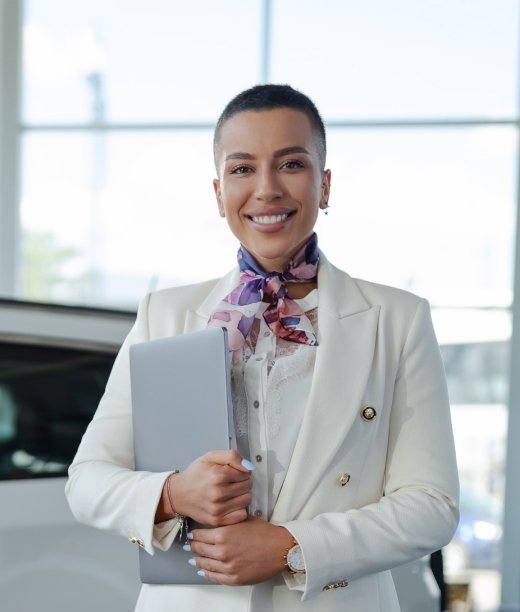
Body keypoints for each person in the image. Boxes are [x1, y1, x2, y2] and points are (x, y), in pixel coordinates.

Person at [65, 84, 459, 612]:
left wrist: (291, 549)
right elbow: (87, 481)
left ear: (324, 184)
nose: (267, 189)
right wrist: (174, 494)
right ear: (218, 192)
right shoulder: (165, 315)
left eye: (291, 164)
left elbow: (432, 506)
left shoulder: (398, 319)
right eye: (242, 168)